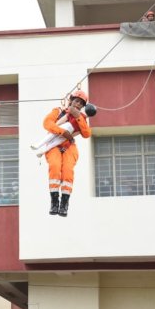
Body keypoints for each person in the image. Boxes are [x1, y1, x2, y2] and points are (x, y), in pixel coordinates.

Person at [42, 89, 92, 217]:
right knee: (55, 166)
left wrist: (77, 117)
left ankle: (64, 203)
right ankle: (54, 200)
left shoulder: (81, 118)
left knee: (68, 171)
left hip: (69, 146)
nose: (78, 105)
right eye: (76, 101)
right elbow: (47, 124)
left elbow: (86, 134)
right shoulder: (58, 111)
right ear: (70, 101)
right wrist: (62, 132)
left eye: (81, 103)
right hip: (54, 144)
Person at [31, 103, 97, 157]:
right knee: (54, 143)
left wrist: (55, 126)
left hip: (66, 126)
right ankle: (42, 152)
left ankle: (38, 145)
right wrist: (70, 137)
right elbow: (77, 132)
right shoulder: (84, 123)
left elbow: (64, 119)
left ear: (84, 108)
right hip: (69, 133)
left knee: (50, 136)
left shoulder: (75, 113)